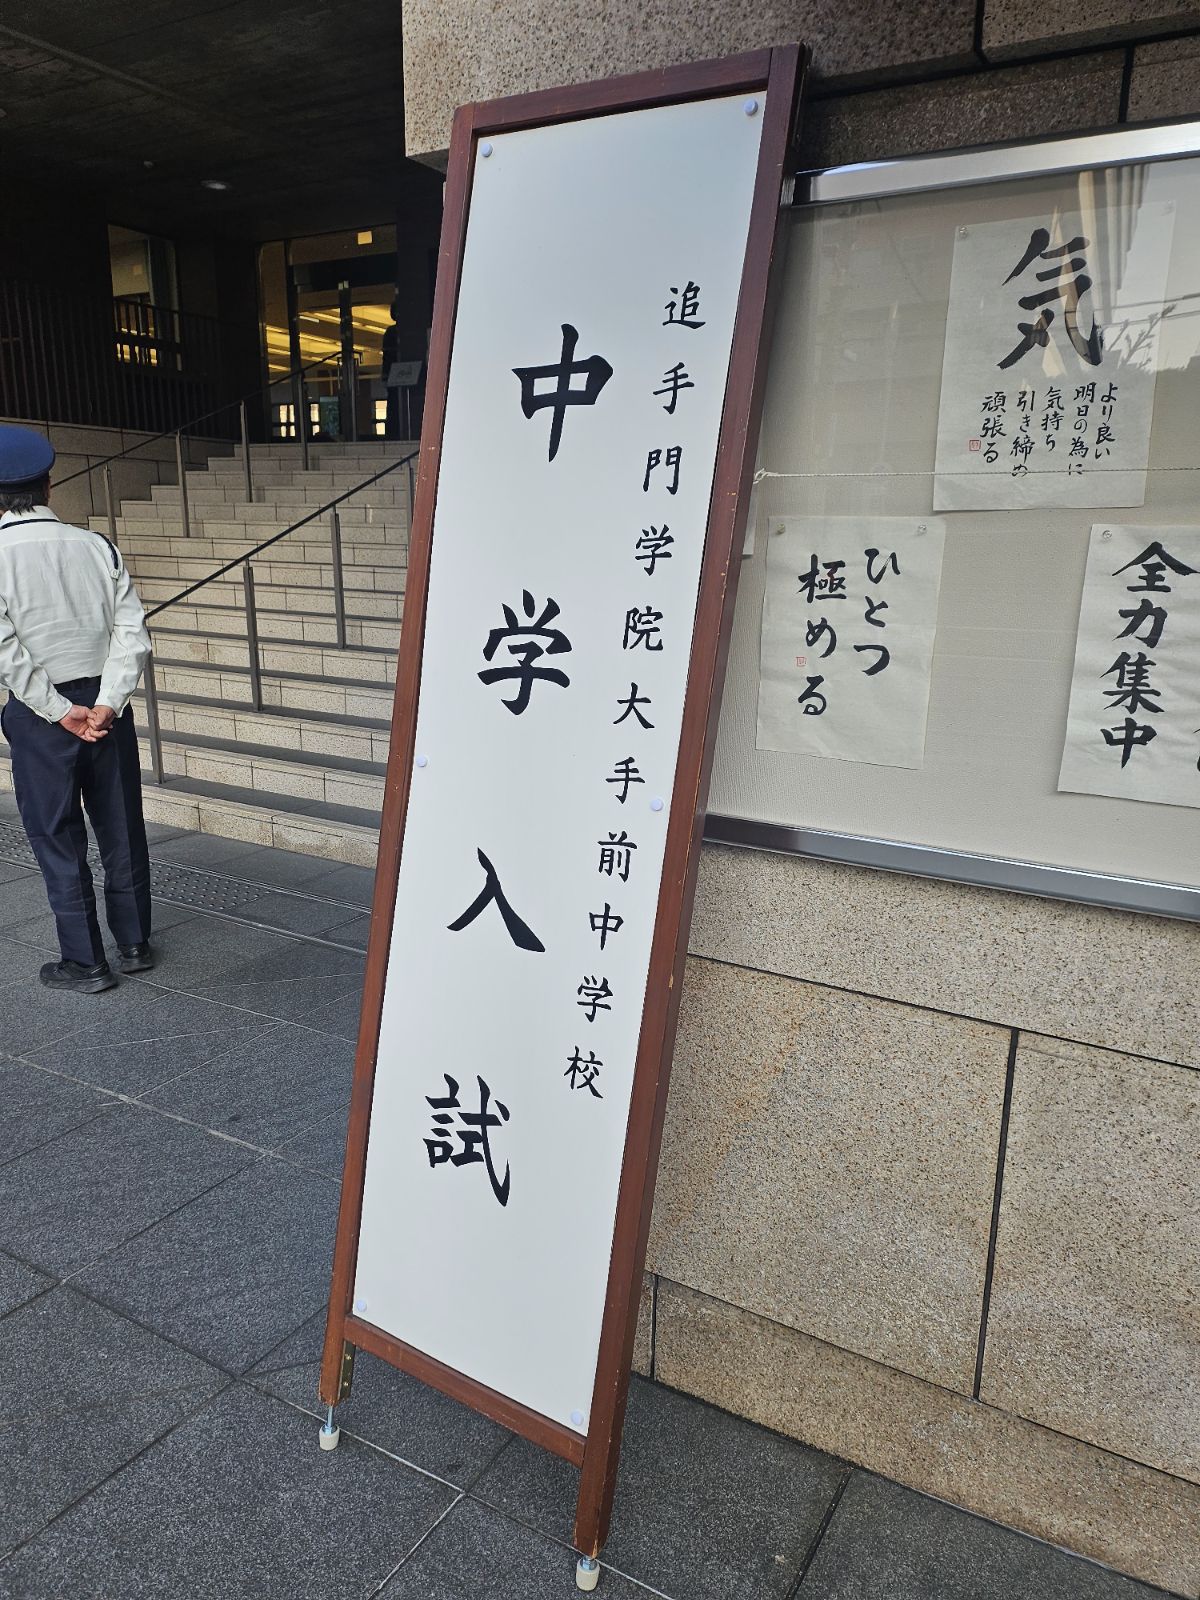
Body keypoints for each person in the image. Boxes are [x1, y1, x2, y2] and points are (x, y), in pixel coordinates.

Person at [0, 423, 154, 993]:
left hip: (42, 717)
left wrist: (58, 709)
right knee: (121, 824)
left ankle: (86, 962)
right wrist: (106, 703)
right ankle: (134, 943)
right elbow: (132, 633)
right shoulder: (97, 546)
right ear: (48, 485)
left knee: (57, 835)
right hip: (106, 710)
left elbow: (5, 650)